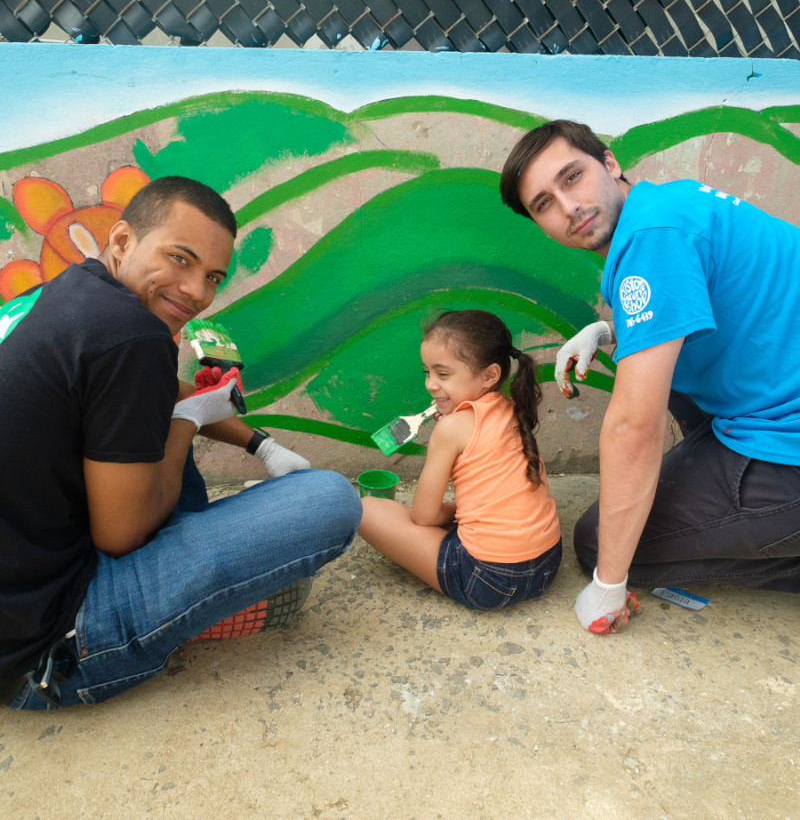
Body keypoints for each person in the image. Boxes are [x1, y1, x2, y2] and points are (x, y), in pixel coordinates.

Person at [0, 176, 361, 710]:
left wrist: (259, 445)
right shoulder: (133, 335)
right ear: (122, 240)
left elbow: (160, 392)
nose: (196, 291)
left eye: (213, 275)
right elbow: (121, 535)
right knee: (330, 499)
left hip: (19, 595)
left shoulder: (64, 293)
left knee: (153, 429)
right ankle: (213, 613)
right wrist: (188, 421)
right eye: (180, 258)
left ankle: (195, 582)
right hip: (47, 650)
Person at [499, 119, 800, 634]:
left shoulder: (652, 239)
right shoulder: (667, 204)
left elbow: (634, 427)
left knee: (600, 543)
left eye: (571, 177)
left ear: (610, 163)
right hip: (774, 388)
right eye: (543, 204)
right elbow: (708, 301)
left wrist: (609, 584)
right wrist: (610, 330)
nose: (568, 207)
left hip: (786, 442)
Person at [359, 310, 562, 609]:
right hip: (547, 565)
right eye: (427, 372)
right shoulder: (510, 407)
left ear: (490, 375)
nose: (430, 384)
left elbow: (424, 517)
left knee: (365, 510)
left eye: (443, 374)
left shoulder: (451, 428)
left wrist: (454, 512)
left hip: (488, 579)